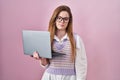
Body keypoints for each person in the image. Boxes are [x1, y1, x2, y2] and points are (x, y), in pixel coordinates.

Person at [32, 5, 87, 80]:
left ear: (69, 21)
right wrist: (42, 58)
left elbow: (81, 66)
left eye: (65, 19)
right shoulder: (47, 38)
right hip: (49, 77)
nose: (62, 21)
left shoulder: (76, 39)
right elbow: (46, 65)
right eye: (59, 18)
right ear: (54, 19)